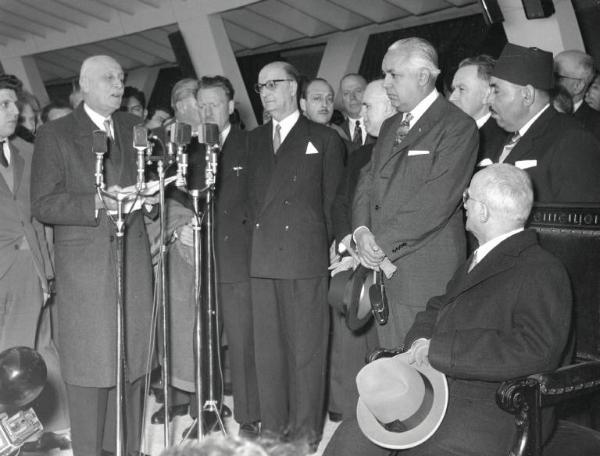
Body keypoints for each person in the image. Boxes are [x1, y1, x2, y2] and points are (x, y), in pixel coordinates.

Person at [324, 164, 572, 456]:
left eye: (468, 197)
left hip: (494, 404)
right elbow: (436, 308)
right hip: (437, 384)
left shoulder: (541, 269)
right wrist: (419, 341)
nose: (463, 203)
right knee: (352, 439)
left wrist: (441, 349)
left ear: (483, 212)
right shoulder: (479, 258)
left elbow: (536, 349)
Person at [31, 55, 156, 456]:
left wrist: (151, 198)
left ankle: (126, 449)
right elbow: (44, 204)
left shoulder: (134, 128)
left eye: (121, 77)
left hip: (133, 263)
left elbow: (147, 180)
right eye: (108, 78)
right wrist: (97, 202)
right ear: (85, 85)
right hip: (87, 272)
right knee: (91, 369)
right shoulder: (56, 134)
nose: (119, 84)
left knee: (132, 365)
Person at [353, 37, 478, 348]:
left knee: (420, 379)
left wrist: (380, 243)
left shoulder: (456, 126)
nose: (386, 84)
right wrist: (361, 230)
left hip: (424, 275)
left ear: (423, 77)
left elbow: (436, 201)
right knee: (392, 372)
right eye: (385, 74)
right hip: (385, 271)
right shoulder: (391, 125)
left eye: (394, 75)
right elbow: (367, 181)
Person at [247, 61, 345, 448]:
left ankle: (304, 437)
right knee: (268, 356)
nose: (267, 92)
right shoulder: (252, 141)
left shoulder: (323, 139)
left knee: (306, 353)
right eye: (260, 86)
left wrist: (336, 248)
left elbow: (333, 202)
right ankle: (273, 433)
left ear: (294, 88)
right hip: (261, 262)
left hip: (304, 259)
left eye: (273, 84)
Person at [0, 74, 71, 452]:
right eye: (4, 105)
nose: (14, 111)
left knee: (25, 361)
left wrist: (46, 272)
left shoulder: (27, 152)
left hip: (29, 276)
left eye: (13, 104)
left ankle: (22, 438)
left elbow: (39, 220)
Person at [328, 79, 396, 422]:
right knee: (346, 324)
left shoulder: (406, 151)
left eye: (369, 106)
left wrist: (369, 252)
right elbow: (342, 203)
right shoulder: (361, 154)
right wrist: (347, 243)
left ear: (393, 106)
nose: (361, 112)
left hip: (390, 261)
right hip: (353, 256)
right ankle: (347, 408)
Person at [483, 43, 600, 202]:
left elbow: (577, 218)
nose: (488, 100)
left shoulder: (572, 139)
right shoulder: (499, 137)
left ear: (527, 95)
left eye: (496, 91)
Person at [448, 55, 508, 164]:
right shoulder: (446, 133)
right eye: (453, 89)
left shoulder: (504, 140)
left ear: (488, 94)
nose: (452, 98)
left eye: (461, 89)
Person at [554, 50, 600, 141]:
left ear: (578, 86)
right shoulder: (539, 107)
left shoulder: (595, 129)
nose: (550, 81)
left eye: (557, 77)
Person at [338, 73, 372, 146]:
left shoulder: (385, 127)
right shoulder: (336, 133)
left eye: (358, 91)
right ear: (342, 99)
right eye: (346, 93)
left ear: (368, 92)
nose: (352, 97)